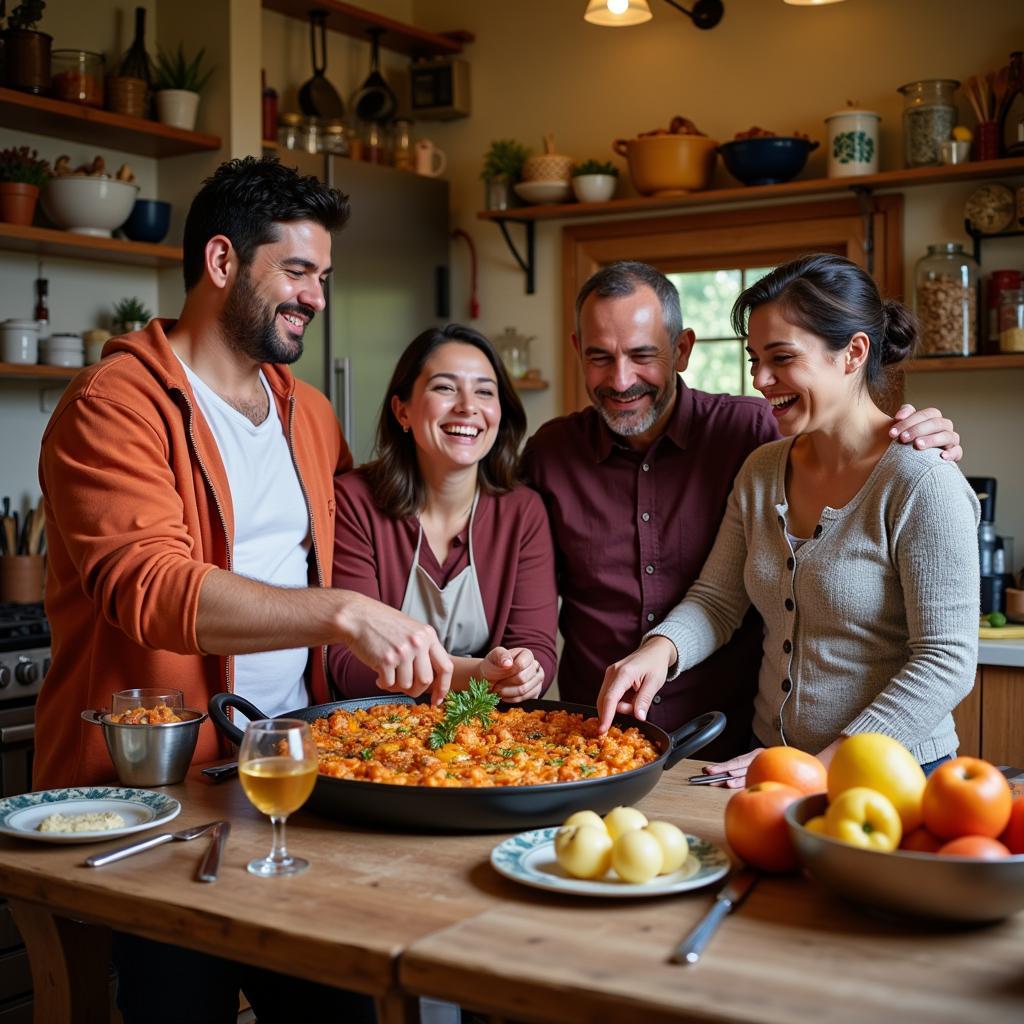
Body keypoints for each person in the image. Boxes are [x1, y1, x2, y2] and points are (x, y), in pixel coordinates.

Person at [36, 156, 452, 1023]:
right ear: (222, 262)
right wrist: (342, 615)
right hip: (161, 799)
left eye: (324, 277)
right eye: (297, 272)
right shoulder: (114, 405)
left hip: (291, 783)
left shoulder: (307, 411)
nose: (316, 297)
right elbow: (149, 589)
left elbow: (359, 551)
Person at [522, 260, 964, 761]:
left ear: (854, 353)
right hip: (765, 759)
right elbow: (717, 599)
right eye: (754, 358)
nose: (760, 378)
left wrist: (824, 766)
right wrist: (656, 652)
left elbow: (945, 661)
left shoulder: (921, 477)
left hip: (890, 770)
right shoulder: (763, 467)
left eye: (780, 357)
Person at [330, 325, 556, 701]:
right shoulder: (354, 502)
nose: (468, 406)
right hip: (369, 741)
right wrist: (477, 674)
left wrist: (525, 671)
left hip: (490, 742)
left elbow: (536, 648)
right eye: (445, 388)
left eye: (484, 391)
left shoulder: (523, 512)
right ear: (402, 410)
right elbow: (348, 667)